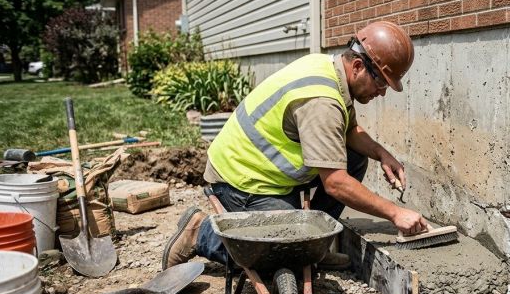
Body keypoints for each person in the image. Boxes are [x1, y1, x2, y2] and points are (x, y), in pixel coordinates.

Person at [162, 20, 428, 270]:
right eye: (380, 81)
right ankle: (200, 233)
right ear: (358, 66)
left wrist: (382, 154)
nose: (382, 92)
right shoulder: (321, 101)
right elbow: (335, 183)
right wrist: (395, 213)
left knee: (355, 158)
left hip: (265, 173)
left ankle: (316, 244)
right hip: (242, 181)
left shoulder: (329, 67)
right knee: (288, 254)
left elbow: (348, 131)